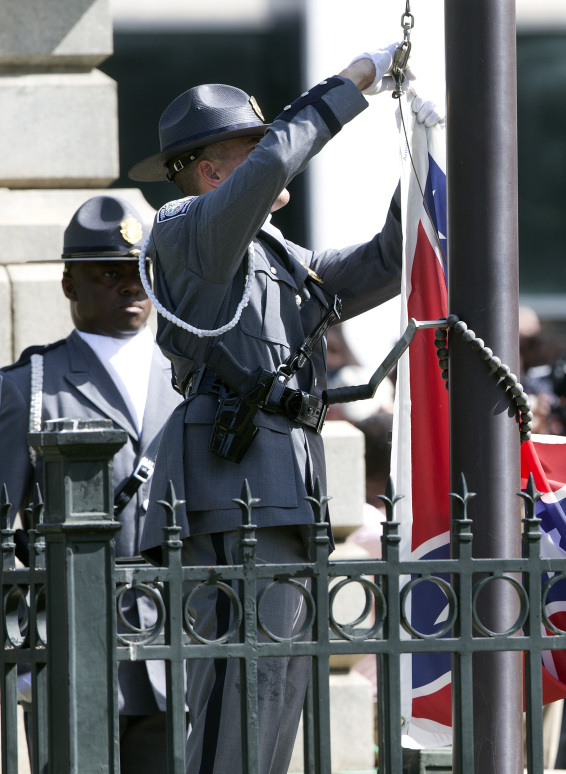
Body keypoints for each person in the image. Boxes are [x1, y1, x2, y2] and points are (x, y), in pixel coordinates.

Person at [128, 44, 441, 774]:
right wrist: (351, 85)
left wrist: (422, 149)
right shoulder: (188, 231)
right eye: (252, 148)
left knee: (275, 686)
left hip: (276, 488)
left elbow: (388, 258)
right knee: (247, 689)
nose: (275, 162)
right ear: (212, 171)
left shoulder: (274, 254)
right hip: (235, 492)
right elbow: (278, 160)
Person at [0, 194, 181, 774]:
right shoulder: (27, 386)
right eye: (110, 273)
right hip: (69, 649)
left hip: (180, 645)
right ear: (69, 285)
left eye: (141, 273)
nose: (132, 288)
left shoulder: (195, 377)